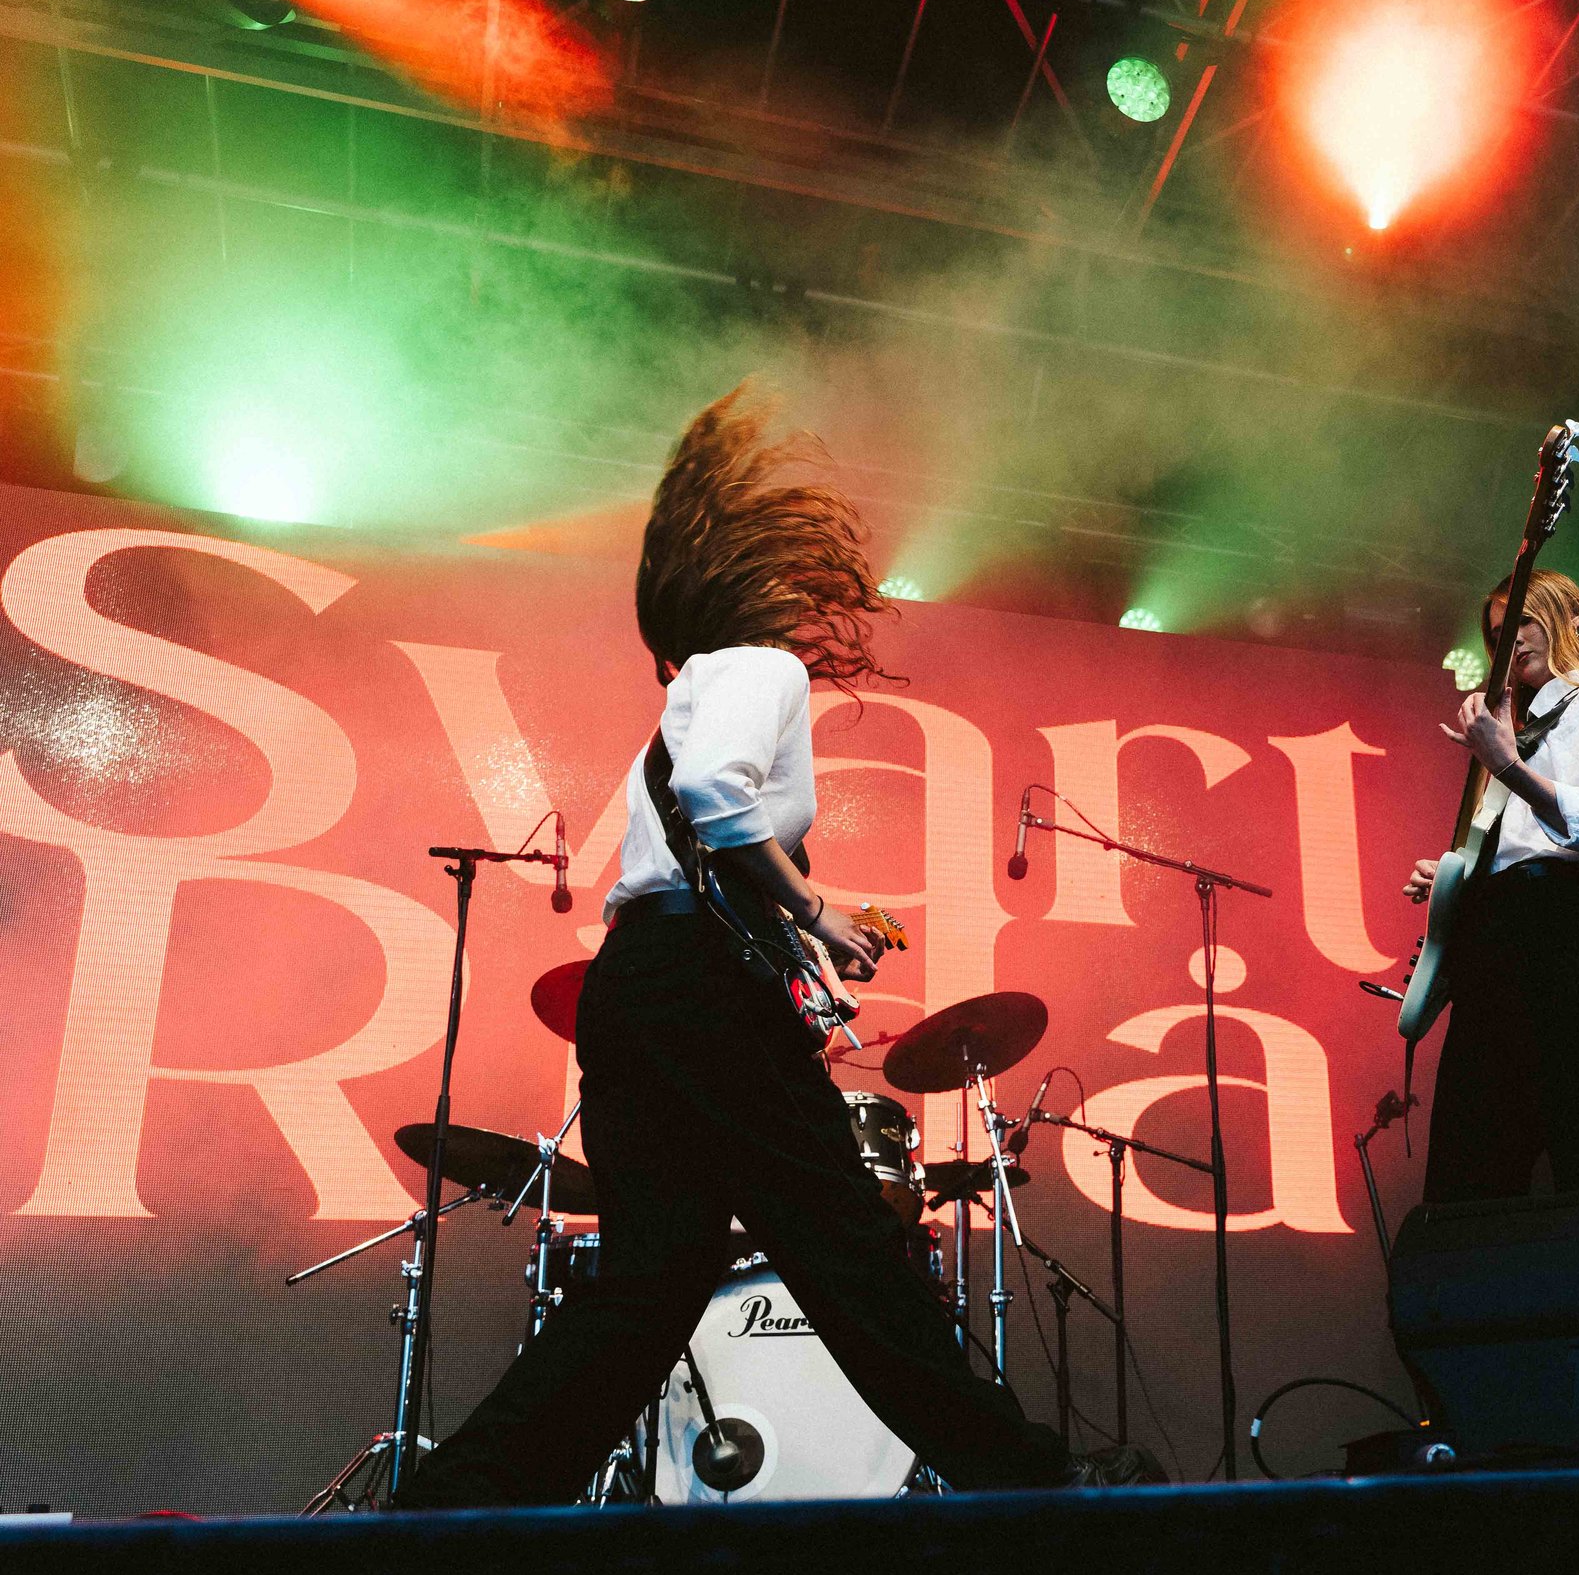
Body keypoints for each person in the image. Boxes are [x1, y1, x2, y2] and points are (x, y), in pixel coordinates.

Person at [395, 386, 1158, 1506]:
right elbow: (716, 797)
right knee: (847, 1247)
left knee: (650, 1285)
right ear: (762, 582)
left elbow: (691, 849)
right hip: (700, 998)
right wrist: (813, 913)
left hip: (641, 989)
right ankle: (1024, 1476)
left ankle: (453, 1507)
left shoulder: (688, 693)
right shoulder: (762, 668)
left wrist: (806, 915)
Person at [1402, 569, 1579, 1203]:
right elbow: (1519, 846)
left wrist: (1506, 765)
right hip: (1497, 946)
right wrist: (1461, 880)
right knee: (1469, 1174)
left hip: (1566, 937)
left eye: (1522, 620)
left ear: (1570, 616)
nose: (1508, 642)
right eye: (1496, 635)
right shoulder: (1516, 735)